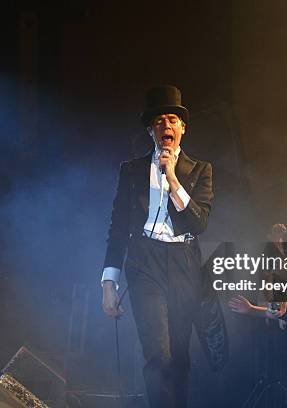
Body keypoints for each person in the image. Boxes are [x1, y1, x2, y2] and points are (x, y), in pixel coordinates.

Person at [101, 85, 224, 408]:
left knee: (180, 355)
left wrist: (172, 179)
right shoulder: (131, 170)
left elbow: (198, 225)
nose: (166, 126)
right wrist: (109, 281)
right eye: (159, 121)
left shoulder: (200, 171)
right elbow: (117, 226)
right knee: (158, 353)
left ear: (182, 128)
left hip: (184, 261)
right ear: (150, 130)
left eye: (172, 120)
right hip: (144, 261)